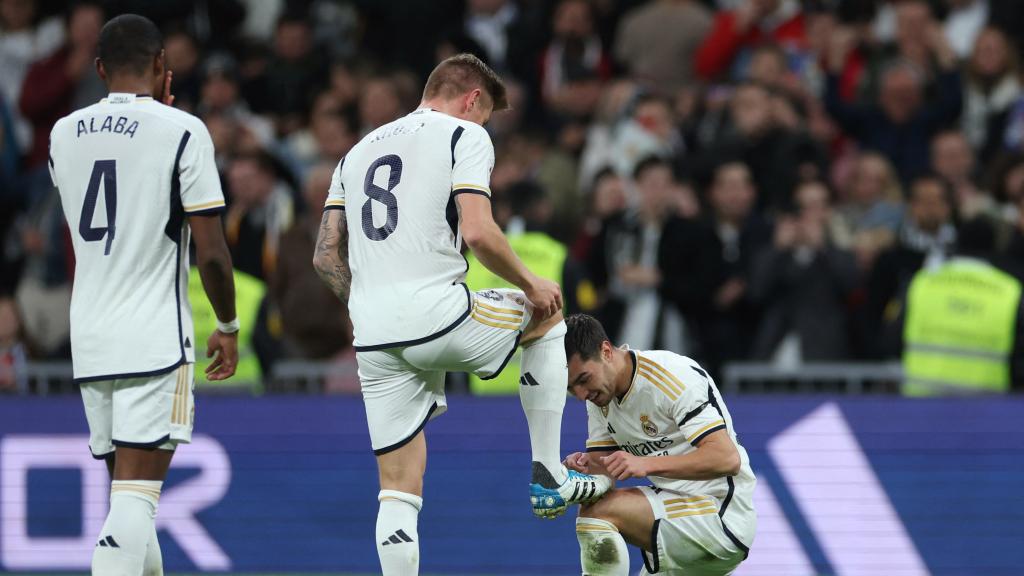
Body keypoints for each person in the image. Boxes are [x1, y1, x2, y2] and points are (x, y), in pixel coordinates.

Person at [312, 53, 610, 575]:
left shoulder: (354, 153)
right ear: (472, 98)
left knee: (398, 487)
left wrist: (366, 306)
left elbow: (325, 254)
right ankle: (548, 472)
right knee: (548, 313)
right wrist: (529, 282)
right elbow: (477, 231)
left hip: (372, 333)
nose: (484, 126)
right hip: (437, 310)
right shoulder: (463, 135)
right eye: (485, 114)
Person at [47, 14, 238, 573]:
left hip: (91, 337)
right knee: (135, 500)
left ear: (99, 68)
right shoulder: (183, 131)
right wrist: (226, 325)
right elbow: (212, 252)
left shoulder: (62, 133)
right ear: (162, 66)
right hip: (153, 337)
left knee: (128, 501)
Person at [561, 313, 756, 575]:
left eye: (584, 380)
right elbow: (603, 473)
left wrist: (646, 464)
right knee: (595, 507)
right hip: (677, 514)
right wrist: (576, 475)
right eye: (572, 388)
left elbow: (726, 459)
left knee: (598, 514)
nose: (582, 394)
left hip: (719, 515)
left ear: (606, 351)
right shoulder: (599, 398)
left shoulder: (670, 377)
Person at [903, 217, 1024, 395]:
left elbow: (888, 341)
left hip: (921, 404)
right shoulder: (1010, 291)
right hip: (988, 410)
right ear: (994, 248)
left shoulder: (923, 282)